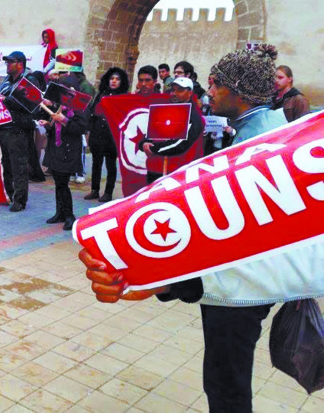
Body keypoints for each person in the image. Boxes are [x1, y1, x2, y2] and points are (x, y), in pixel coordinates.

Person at [81, 45, 300, 413]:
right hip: (246, 285)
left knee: (225, 380)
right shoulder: (268, 129)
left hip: (240, 291)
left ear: (238, 91)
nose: (209, 92)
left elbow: (232, 244)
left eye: (216, 85)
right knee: (225, 375)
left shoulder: (253, 147)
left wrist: (166, 278)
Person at [0, 51, 41, 212]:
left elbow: (29, 104)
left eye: (11, 62)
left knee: (19, 165)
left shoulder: (29, 81)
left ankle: (20, 200)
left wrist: (6, 100)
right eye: (6, 62)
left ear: (20, 64)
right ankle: (10, 194)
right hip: (4, 128)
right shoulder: (6, 82)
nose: (7, 65)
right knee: (6, 164)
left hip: (19, 129)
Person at [139, 77, 204, 184]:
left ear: (190, 93)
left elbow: (182, 144)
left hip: (178, 173)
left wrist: (154, 149)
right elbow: (151, 132)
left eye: (180, 90)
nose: (174, 93)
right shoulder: (165, 109)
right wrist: (144, 143)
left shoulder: (194, 115)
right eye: (173, 90)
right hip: (155, 170)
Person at [40, 102, 87, 230]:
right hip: (55, 149)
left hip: (68, 152)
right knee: (58, 183)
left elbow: (81, 129)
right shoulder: (58, 106)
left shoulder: (77, 109)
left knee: (63, 183)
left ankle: (69, 216)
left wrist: (64, 119)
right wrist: (49, 124)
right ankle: (60, 213)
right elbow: (56, 128)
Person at [85, 67, 128, 203]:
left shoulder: (123, 97)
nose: (114, 81)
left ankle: (108, 192)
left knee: (110, 165)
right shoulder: (101, 94)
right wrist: (90, 132)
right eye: (112, 78)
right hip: (98, 133)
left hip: (112, 135)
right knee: (96, 163)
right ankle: (95, 190)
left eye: (117, 79)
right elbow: (93, 113)